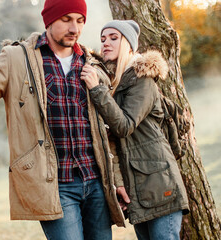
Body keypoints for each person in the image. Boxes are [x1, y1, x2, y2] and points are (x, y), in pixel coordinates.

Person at [0, 0, 127, 239]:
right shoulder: (17, 59)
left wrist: (117, 180)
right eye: (66, 19)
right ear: (49, 20)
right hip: (55, 187)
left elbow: (108, 132)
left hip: (96, 183)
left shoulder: (92, 64)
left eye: (80, 20)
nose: (74, 29)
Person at [81, 20, 190, 240]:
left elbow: (124, 126)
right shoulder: (118, 85)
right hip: (139, 191)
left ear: (129, 45)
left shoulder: (142, 81)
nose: (106, 44)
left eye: (113, 38)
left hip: (160, 186)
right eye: (103, 39)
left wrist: (97, 90)